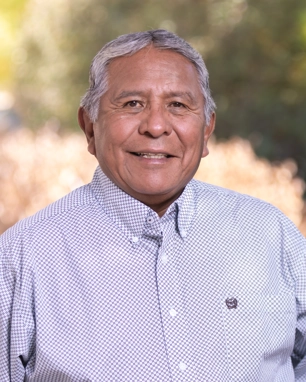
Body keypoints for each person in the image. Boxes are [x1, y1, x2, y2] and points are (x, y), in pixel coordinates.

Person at [1, 29, 306, 382]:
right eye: (132, 104)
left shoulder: (270, 234)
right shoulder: (21, 258)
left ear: (206, 130)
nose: (157, 126)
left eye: (178, 105)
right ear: (89, 127)